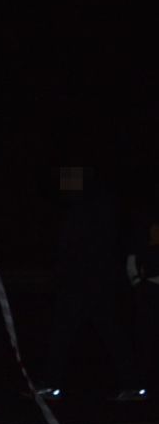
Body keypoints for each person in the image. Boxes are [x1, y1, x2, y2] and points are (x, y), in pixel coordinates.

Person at [37, 166, 143, 401]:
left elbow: (70, 244)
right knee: (108, 332)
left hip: (82, 282)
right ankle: (132, 384)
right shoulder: (103, 202)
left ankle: (52, 384)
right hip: (97, 281)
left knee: (67, 333)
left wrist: (61, 273)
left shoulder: (82, 206)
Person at [127, 185, 159, 398]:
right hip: (148, 289)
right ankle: (142, 383)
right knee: (145, 336)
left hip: (149, 287)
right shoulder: (142, 224)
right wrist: (137, 282)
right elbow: (132, 257)